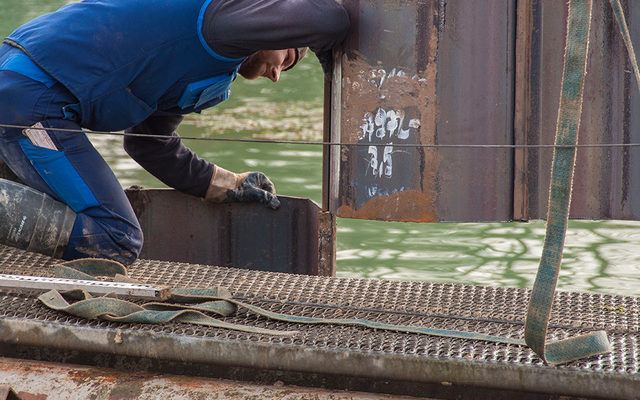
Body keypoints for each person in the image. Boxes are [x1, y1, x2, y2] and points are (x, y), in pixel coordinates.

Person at [0, 0, 349, 265]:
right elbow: (331, 19)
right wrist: (323, 49)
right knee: (114, 238)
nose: (277, 75)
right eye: (286, 57)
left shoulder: (209, 60)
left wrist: (226, 183)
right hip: (32, 98)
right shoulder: (222, 22)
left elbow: (149, 143)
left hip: (21, 87)